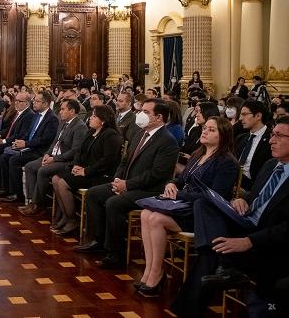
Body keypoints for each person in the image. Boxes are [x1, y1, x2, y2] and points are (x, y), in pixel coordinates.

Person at [172, 116, 289, 317]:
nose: (271, 140)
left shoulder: (228, 161)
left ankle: (219, 268)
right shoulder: (271, 165)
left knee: (209, 253)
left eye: (279, 135)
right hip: (246, 220)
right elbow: (256, 196)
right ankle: (224, 263)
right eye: (272, 135)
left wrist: (249, 241)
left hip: (267, 238)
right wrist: (241, 200)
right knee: (204, 204)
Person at [136, 116, 238, 297]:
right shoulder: (198, 154)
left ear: (223, 136)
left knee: (155, 218)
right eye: (205, 128)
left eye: (212, 130)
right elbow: (181, 180)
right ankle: (150, 270)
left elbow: (214, 197)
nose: (205, 131)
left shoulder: (226, 162)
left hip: (203, 215)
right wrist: (171, 184)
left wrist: (179, 194)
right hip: (182, 205)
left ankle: (157, 273)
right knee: (145, 213)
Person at [75, 98, 179, 270]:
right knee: (94, 194)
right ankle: (98, 240)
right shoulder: (139, 133)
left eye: (146, 112)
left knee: (114, 203)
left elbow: (156, 175)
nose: (141, 115)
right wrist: (117, 180)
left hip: (149, 190)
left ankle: (116, 253)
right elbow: (124, 161)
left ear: (159, 117)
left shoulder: (167, 141)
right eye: (141, 111)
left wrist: (127, 185)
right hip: (126, 183)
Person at [51, 105, 123, 236]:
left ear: (103, 120)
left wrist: (86, 171)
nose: (90, 118)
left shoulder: (111, 135)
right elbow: (79, 152)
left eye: (94, 116)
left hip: (101, 175)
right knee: (56, 178)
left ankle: (72, 220)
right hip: (85, 171)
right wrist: (76, 166)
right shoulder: (90, 132)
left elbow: (107, 160)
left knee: (63, 183)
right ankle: (66, 216)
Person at [20, 99, 88, 215]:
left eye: (62, 109)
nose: (60, 112)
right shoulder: (62, 122)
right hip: (53, 156)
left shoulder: (79, 126)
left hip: (66, 161)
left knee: (42, 170)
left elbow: (74, 151)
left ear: (72, 111)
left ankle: (39, 205)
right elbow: (55, 142)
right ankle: (31, 201)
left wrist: (54, 159)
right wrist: (47, 153)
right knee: (30, 166)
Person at [236, 100, 272, 192]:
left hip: (256, 189)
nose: (240, 118)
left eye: (244, 114)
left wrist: (249, 193)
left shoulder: (271, 140)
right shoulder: (241, 138)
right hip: (235, 184)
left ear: (258, 116)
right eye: (240, 114)